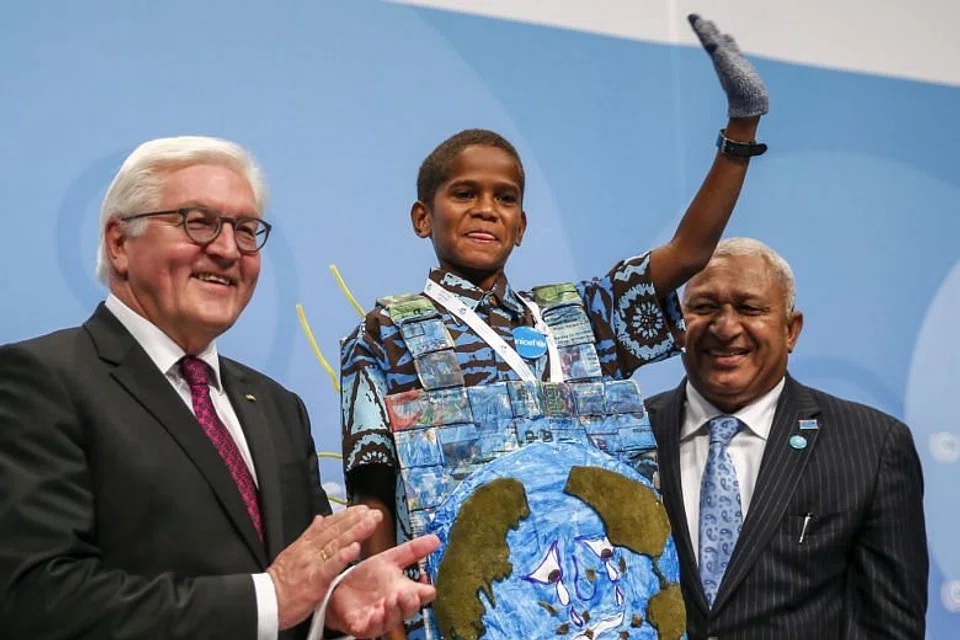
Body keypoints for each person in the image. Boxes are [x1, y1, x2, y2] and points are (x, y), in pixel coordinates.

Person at [341, 15, 770, 640]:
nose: (486, 209)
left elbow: (688, 253)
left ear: (522, 225)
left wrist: (741, 128)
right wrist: (389, 628)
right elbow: (372, 494)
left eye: (505, 197)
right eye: (464, 193)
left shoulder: (580, 317)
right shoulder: (384, 336)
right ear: (421, 217)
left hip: (609, 613)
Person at [0, 135, 439, 640]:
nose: (229, 250)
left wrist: (331, 606)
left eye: (246, 230)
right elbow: (35, 599)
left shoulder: (278, 407)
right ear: (119, 243)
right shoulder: (39, 381)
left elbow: (299, 589)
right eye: (198, 222)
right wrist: (269, 599)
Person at [646, 237, 929, 639]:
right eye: (704, 307)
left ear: (791, 330)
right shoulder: (624, 436)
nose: (725, 327)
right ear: (679, 323)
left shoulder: (873, 446)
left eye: (749, 308)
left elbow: (888, 628)